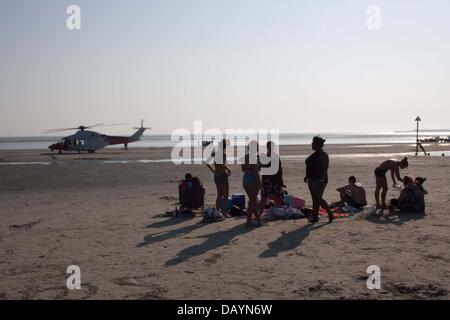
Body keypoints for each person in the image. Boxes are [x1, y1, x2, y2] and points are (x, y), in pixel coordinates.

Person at [304, 136, 334, 223]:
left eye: (313, 143)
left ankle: (329, 212)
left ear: (318, 144)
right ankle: (315, 216)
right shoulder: (314, 154)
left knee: (318, 198)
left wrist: (322, 180)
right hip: (311, 179)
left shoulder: (323, 154)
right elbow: (309, 165)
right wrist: (306, 176)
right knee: (314, 198)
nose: (312, 144)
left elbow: (325, 168)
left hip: (319, 179)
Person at [205, 140, 231, 214]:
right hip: (222, 175)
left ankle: (217, 211)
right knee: (225, 196)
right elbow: (222, 164)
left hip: (216, 175)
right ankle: (224, 212)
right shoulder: (223, 154)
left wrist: (213, 170)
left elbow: (207, 162)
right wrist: (228, 169)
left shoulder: (215, 153)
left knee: (219, 195)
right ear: (225, 146)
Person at [241, 140, 262, 227]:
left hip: (245, 179)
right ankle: (248, 221)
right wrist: (260, 184)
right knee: (252, 202)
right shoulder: (254, 158)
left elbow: (242, 168)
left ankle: (258, 220)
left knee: (252, 201)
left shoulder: (245, 157)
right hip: (253, 180)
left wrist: (247, 170)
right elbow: (256, 173)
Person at [260, 141, 284, 209]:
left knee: (267, 197)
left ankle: (261, 213)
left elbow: (279, 170)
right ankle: (276, 212)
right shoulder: (274, 156)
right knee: (273, 197)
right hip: (271, 180)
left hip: (270, 179)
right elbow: (279, 171)